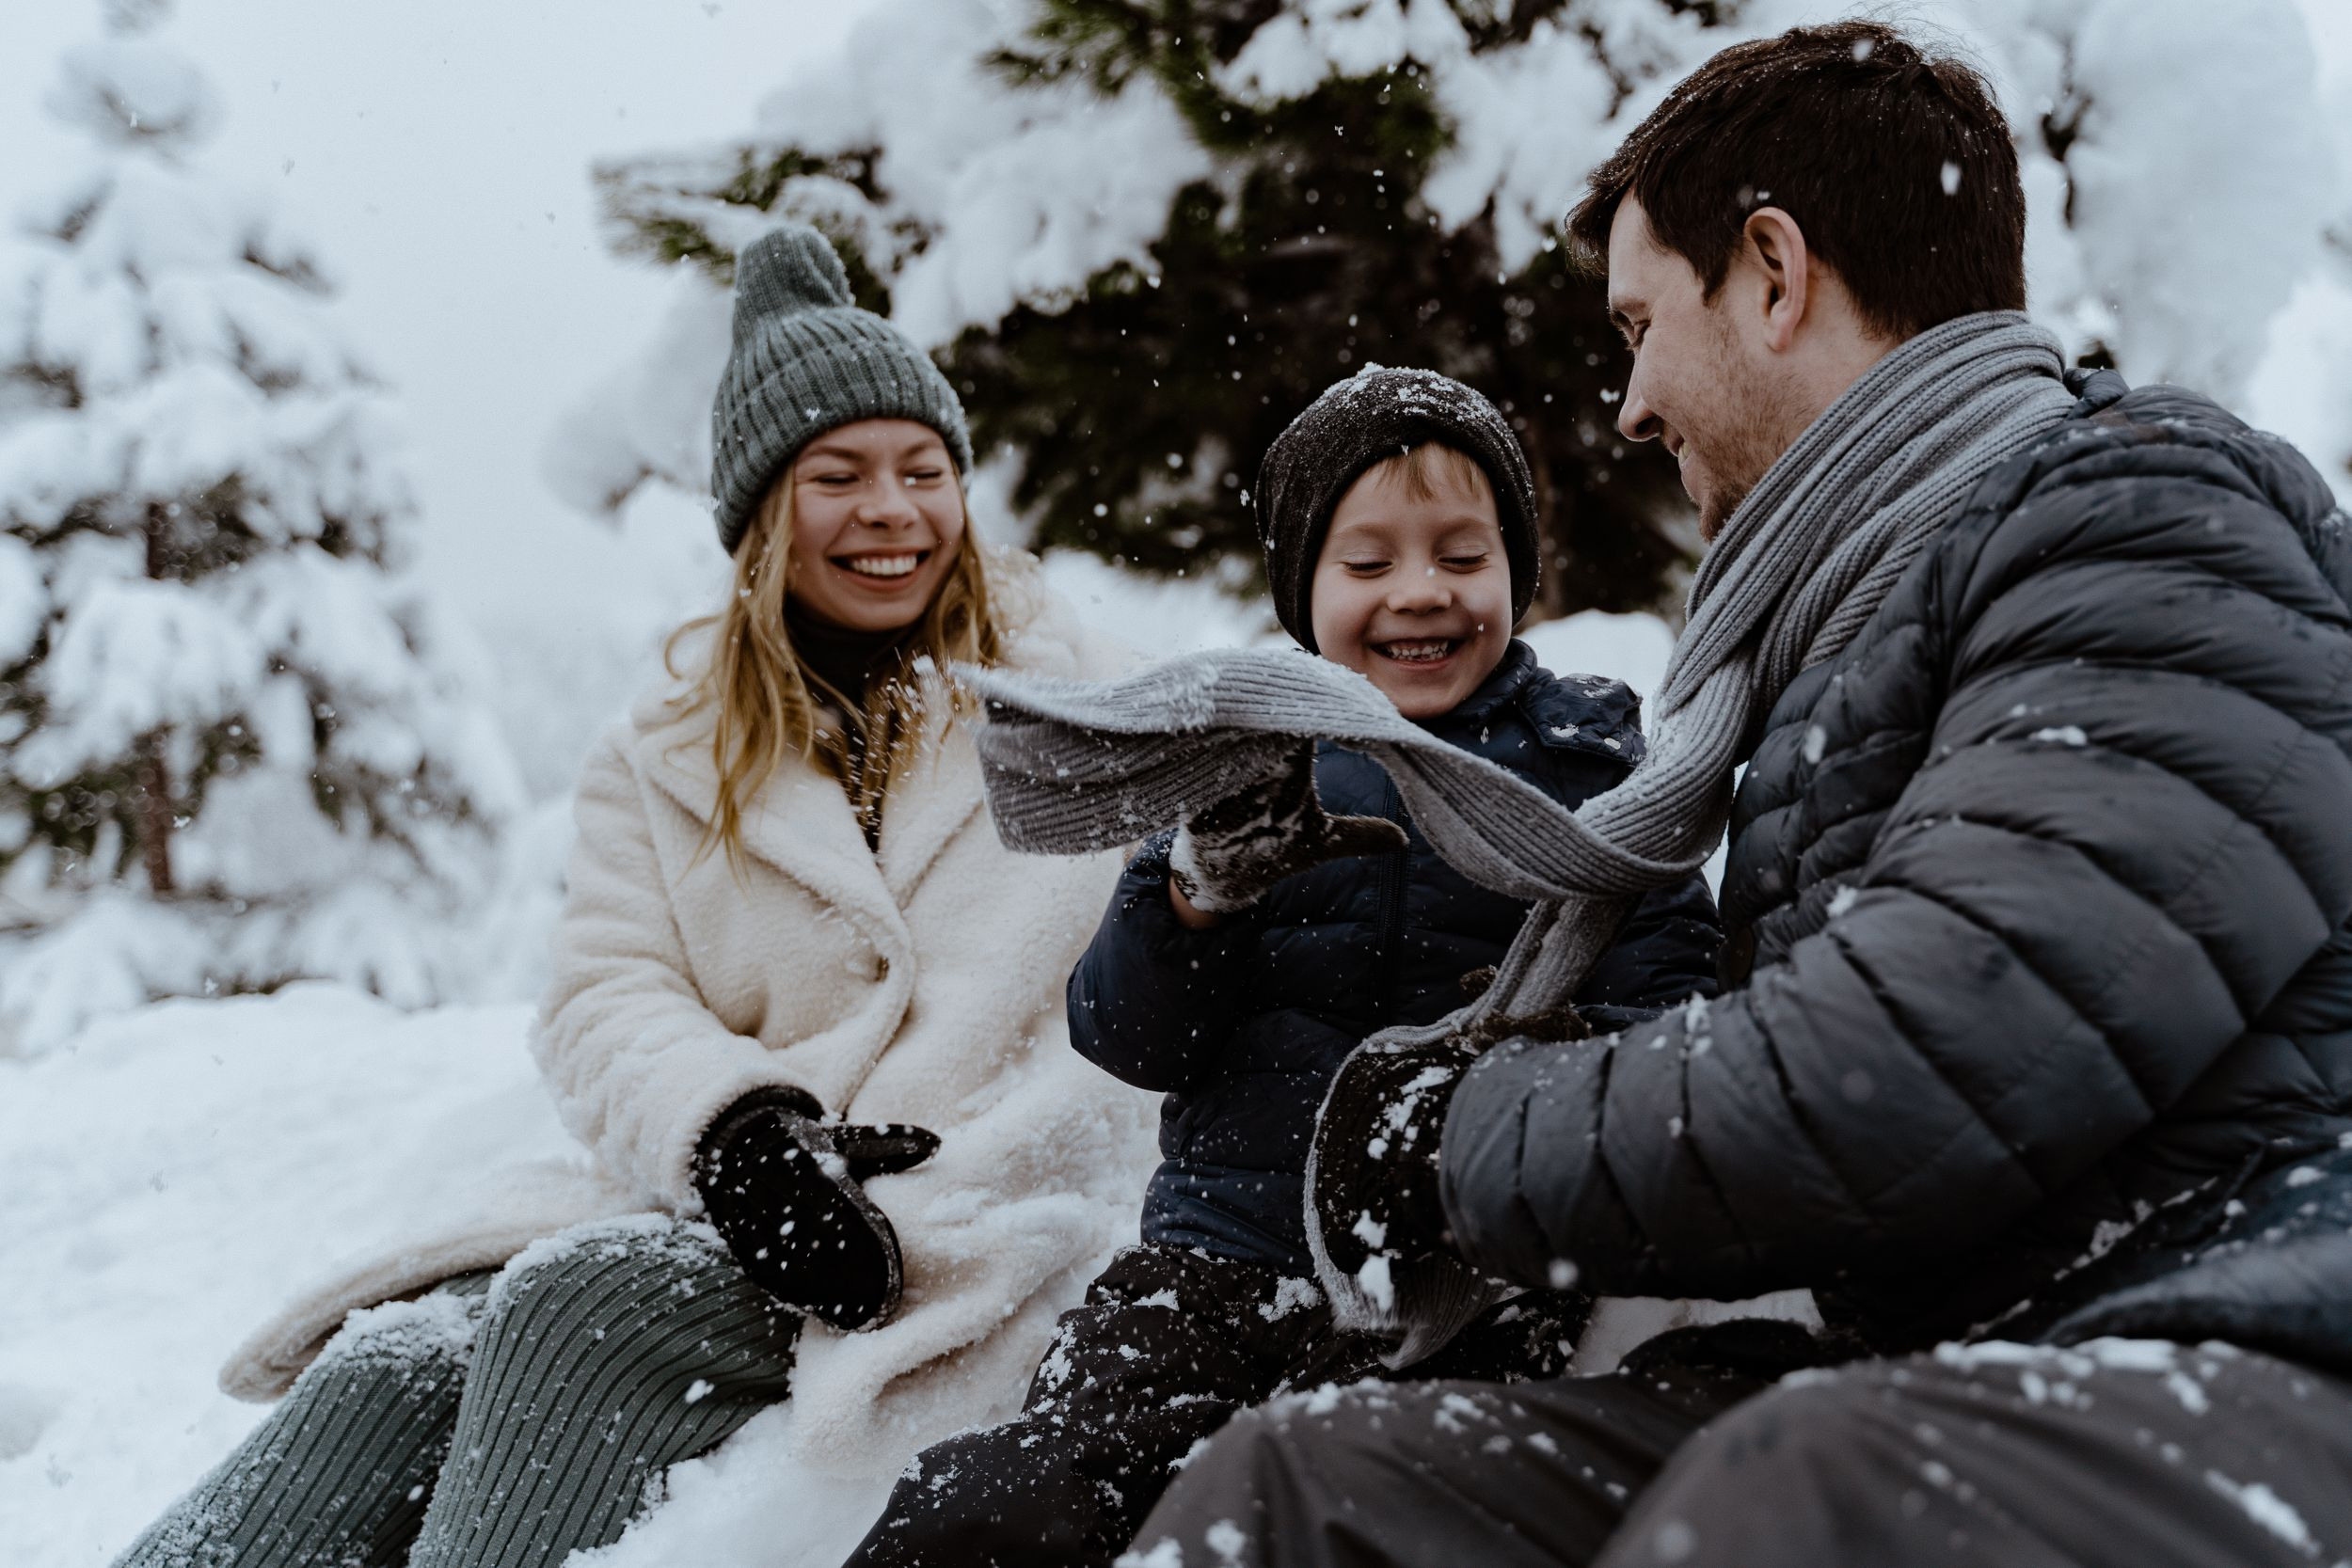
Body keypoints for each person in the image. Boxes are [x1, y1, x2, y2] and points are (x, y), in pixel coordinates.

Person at [1124, 21, 2352, 1568]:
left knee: (1800, 1483)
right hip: (1963, 1363)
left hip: (2237, 1342)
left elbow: (1928, 1055)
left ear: (1772, 274)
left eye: (1639, 324)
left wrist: (1459, 1140)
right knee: (1309, 1489)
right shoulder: (1848, 638)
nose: (1627, 405)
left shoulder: (2143, 516)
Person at [112, 222, 1153, 1568]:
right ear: (764, 515)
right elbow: (606, 988)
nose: (892, 510)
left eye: (923, 470)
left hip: (967, 1207)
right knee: (386, 1369)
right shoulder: (668, 749)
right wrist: (735, 1135)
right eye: (839, 474)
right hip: (736, 1197)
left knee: (579, 1305)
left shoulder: (1091, 702)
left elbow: (1187, 949)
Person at [843, 368, 1722, 1568]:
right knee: (1050, 1476)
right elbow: (1129, 1038)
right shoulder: (1244, 752)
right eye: (1367, 564)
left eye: (1461, 555)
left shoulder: (1585, 759)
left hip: (1467, 1266)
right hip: (1220, 1251)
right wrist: (1197, 892)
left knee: (1360, 1489)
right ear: (1302, 588)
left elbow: (1676, 994)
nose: (1420, 592)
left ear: (1518, 571)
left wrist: (1554, 1055)